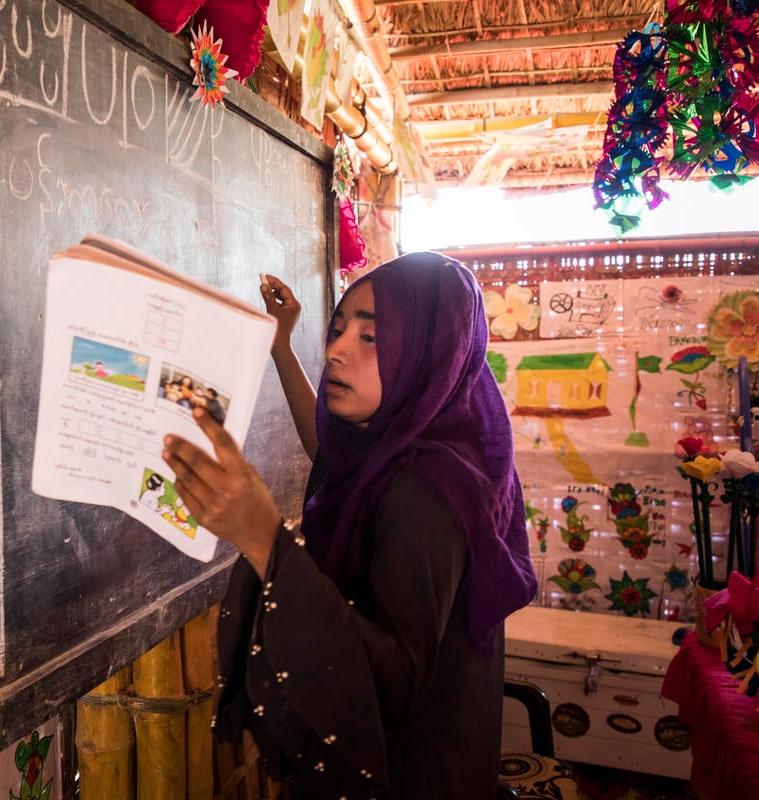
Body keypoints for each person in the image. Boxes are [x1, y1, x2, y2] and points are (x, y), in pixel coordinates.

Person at [162, 253, 537, 799]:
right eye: (338, 329)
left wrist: (266, 539)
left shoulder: (424, 494)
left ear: (430, 352)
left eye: (372, 337)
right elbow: (329, 453)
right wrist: (281, 348)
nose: (336, 349)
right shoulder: (434, 454)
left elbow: (389, 688)